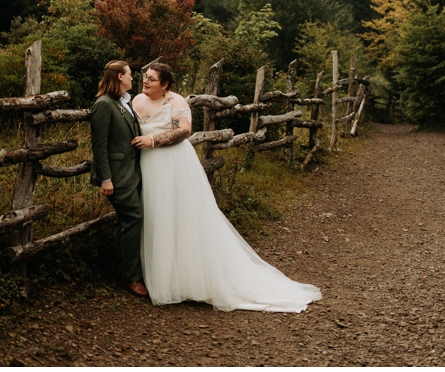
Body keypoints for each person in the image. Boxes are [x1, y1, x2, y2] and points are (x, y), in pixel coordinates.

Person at [130, 62, 322, 312]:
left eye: (152, 79)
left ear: (165, 84)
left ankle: (187, 278)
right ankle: (155, 272)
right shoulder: (136, 101)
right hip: (148, 165)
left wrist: (153, 139)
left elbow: (184, 131)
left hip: (173, 164)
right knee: (156, 215)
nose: (145, 82)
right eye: (145, 77)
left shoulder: (176, 102)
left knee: (179, 216)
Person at [88, 60, 148, 297]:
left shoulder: (123, 102)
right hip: (116, 175)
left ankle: (123, 272)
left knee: (127, 222)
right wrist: (106, 178)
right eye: (130, 75)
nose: (133, 78)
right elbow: (99, 145)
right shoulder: (103, 104)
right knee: (134, 217)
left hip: (131, 171)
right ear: (120, 77)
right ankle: (131, 278)